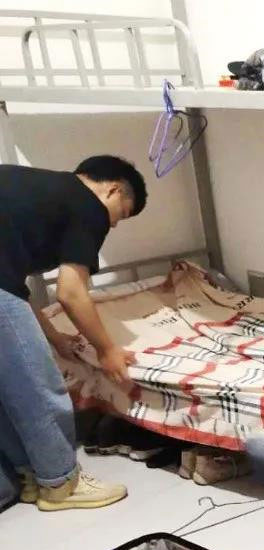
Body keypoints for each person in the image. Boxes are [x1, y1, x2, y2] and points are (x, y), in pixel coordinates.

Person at [0, 156, 147, 512]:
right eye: (122, 213)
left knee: (7, 391)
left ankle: (32, 476)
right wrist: (108, 350)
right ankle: (62, 483)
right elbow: (70, 292)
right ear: (113, 190)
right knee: (38, 386)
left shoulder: (38, 193)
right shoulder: (87, 205)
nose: (114, 223)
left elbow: (14, 291)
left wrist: (54, 337)